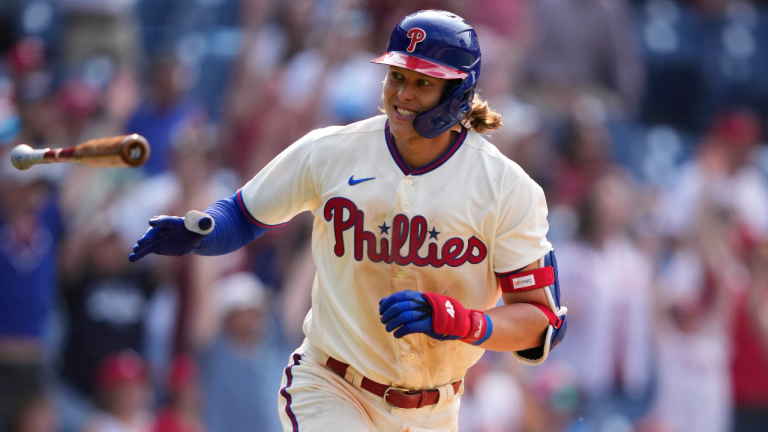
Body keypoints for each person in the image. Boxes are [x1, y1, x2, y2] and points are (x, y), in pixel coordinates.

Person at [129, 10, 567, 431]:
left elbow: (539, 323)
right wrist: (200, 231)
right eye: (397, 75)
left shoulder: (507, 188)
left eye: (422, 83)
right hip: (333, 384)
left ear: (459, 95)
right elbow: (243, 214)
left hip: (437, 408)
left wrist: (464, 322)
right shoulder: (331, 150)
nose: (403, 94)